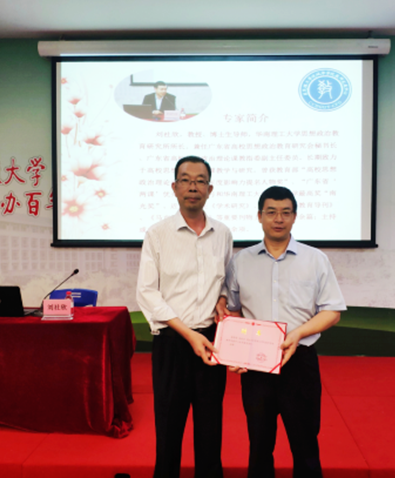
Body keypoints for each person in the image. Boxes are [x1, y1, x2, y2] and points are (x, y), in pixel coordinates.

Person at [220, 186, 346, 478]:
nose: (278, 219)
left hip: (299, 362)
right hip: (256, 365)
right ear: (259, 216)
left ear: (294, 217)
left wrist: (297, 334)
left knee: (305, 443)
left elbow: (332, 311)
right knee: (259, 444)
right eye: (271, 212)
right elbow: (233, 310)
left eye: (285, 213)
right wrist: (234, 351)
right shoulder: (241, 261)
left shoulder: (315, 259)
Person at [136, 155, 233, 478]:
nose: (193, 187)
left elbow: (226, 279)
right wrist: (189, 334)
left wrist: (222, 299)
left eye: (200, 180)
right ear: (174, 187)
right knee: (169, 428)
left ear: (210, 189)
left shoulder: (223, 233)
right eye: (186, 180)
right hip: (172, 343)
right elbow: (147, 293)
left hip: (211, 343)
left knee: (210, 430)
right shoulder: (157, 233)